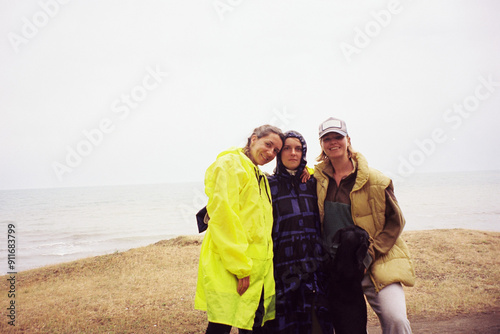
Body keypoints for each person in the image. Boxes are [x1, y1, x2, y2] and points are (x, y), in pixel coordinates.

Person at [314, 117, 416, 334]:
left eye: (338, 137)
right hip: (336, 268)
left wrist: (369, 255)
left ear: (348, 140)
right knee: (344, 326)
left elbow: (396, 221)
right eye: (327, 138)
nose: (333, 142)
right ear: (321, 144)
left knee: (396, 319)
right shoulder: (317, 179)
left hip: (374, 263)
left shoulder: (376, 180)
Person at [195, 124, 285, 334]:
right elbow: (223, 217)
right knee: (221, 325)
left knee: (250, 322)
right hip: (233, 264)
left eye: (276, 151)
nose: (271, 153)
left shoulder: (257, 173)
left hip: (254, 266)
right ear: (253, 138)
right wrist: (240, 266)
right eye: (268, 144)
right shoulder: (230, 165)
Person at [263, 130, 333, 334]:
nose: (293, 153)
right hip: (282, 271)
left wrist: (309, 170)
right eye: (287, 148)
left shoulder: (312, 183)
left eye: (299, 149)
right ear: (278, 153)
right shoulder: (268, 185)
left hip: (314, 270)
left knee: (316, 325)